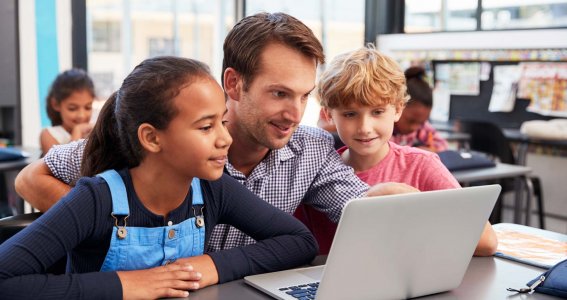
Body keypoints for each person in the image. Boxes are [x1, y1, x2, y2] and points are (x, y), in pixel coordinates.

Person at [15, 12, 416, 252]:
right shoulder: (174, 138)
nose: (295, 113)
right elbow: (32, 178)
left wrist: (396, 199)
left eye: (304, 96)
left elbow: (356, 204)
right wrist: (107, 232)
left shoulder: (311, 149)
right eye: (279, 93)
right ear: (234, 84)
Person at [0, 56, 318, 299]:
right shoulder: (96, 199)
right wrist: (124, 284)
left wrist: (214, 265)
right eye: (206, 127)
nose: (225, 139)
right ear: (152, 138)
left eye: (222, 122)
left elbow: (299, 242)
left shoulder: (213, 189)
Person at [295, 47, 497, 256]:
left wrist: (421, 205)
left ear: (398, 109)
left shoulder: (422, 165)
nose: (365, 127)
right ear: (329, 114)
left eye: (378, 112)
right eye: (350, 114)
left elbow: (486, 243)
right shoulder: (316, 171)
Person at [391, 66, 448, 152]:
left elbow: (442, 144)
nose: (415, 128)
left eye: (421, 122)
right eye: (411, 121)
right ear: (397, 107)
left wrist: (427, 150)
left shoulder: (421, 128)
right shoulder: (385, 130)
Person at [40, 69, 95, 154]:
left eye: (88, 107)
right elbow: (67, 165)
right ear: (55, 104)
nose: (81, 115)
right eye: (72, 108)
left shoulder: (93, 132)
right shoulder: (48, 135)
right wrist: (77, 132)